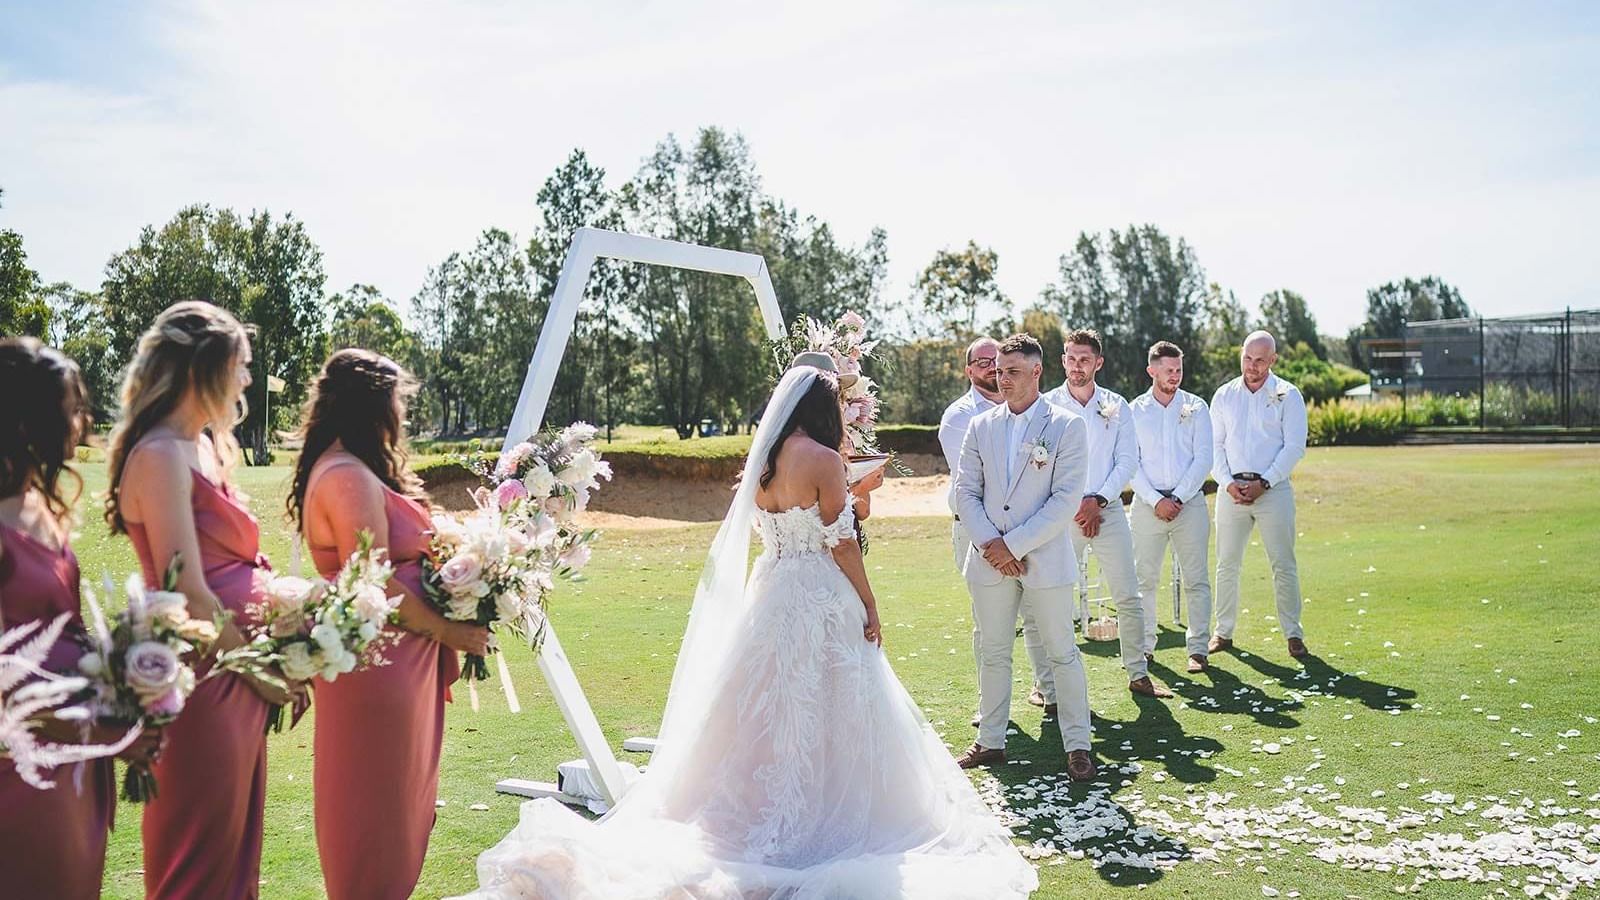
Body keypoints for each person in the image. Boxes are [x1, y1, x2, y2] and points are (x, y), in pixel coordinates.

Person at [458, 364, 1037, 899]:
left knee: (762, 705)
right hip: (819, 592)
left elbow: (783, 525)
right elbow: (840, 542)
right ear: (823, 409)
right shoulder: (824, 459)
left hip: (773, 588)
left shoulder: (762, 461)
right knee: (833, 700)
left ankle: (753, 806)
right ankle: (824, 812)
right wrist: (869, 600)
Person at [105, 300, 295, 899]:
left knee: (236, 851)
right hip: (202, 680)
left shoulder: (207, 445)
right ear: (202, 369)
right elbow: (187, 589)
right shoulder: (160, 454)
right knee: (198, 857)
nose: (247, 379)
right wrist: (261, 673)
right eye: (239, 366)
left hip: (235, 673)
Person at [289, 349, 491, 900]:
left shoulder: (353, 468)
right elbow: (374, 581)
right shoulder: (346, 477)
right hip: (380, 670)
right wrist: (451, 632)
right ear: (373, 404)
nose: (401, 413)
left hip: (400, 666)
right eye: (397, 401)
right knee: (375, 818)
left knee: (395, 812)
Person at [0, 337, 161, 900]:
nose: (82, 422)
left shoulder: (39, 506)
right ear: (28, 421)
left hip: (76, 769)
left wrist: (123, 684)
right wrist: (107, 732)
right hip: (24, 773)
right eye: (71, 409)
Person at [953, 334, 1096, 782]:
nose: (1002, 379)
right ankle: (990, 740)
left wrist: (1011, 546)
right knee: (993, 651)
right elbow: (965, 491)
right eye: (998, 371)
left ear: (1037, 372)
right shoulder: (980, 425)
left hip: (1044, 558)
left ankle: (1078, 746)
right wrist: (990, 545)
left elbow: (1064, 499)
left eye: (1012, 371)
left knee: (1062, 652)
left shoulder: (1067, 426)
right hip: (988, 559)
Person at [1043, 329, 1172, 699]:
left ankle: (1138, 673)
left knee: (1128, 595)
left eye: (1084, 359)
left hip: (1108, 510)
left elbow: (1127, 460)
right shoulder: (1046, 405)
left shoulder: (1117, 405)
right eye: (1071, 358)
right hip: (1061, 513)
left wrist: (1097, 500)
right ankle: (1047, 684)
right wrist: (1073, 503)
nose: (1076, 366)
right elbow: (1042, 461)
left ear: (1098, 363)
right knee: (1053, 598)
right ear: (1062, 360)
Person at [939, 337, 1053, 715]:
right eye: (983, 362)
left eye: (998, 362)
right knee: (988, 623)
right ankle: (989, 707)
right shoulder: (960, 417)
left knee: (1037, 614)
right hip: (977, 532)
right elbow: (977, 484)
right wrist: (997, 545)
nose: (992, 369)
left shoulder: (1028, 409)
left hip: (1026, 530)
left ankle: (1048, 690)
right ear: (969, 370)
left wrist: (1019, 538)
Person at [1209, 331, 1310, 659]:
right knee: (1226, 564)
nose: (1252, 366)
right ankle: (1222, 632)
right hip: (1231, 492)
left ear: (1273, 360)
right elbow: (1214, 445)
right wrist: (1227, 483)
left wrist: (1264, 483)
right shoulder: (1224, 395)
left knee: (1283, 563)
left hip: (1273, 491)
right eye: (1247, 358)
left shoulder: (1288, 395)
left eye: (1260, 361)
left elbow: (1294, 446)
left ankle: (1293, 634)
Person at [1128, 341, 1215, 674]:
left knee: (1196, 579)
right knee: (1144, 580)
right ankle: (1145, 647)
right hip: (1146, 505)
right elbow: (1129, 462)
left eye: (1179, 370)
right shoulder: (1134, 411)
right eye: (1168, 370)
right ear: (1151, 371)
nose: (1175, 376)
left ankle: (1198, 649)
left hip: (1188, 505)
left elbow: (1203, 458)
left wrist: (1177, 498)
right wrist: (1156, 500)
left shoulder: (1197, 407)